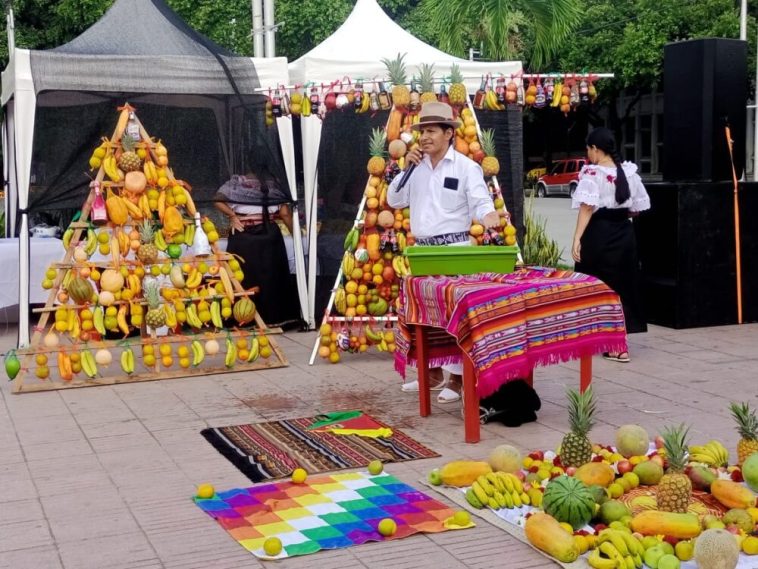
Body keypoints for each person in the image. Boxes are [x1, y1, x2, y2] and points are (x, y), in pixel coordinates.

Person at [388, 101, 500, 403]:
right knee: (425, 317)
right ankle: (431, 373)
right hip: (423, 252)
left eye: (432, 131)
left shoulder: (466, 167)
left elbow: (480, 201)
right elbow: (394, 200)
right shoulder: (415, 168)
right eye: (422, 131)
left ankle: (457, 379)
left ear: (448, 133)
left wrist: (489, 216)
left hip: (455, 249)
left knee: (454, 316)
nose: (425, 137)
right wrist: (407, 168)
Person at [571, 127, 651, 362]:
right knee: (623, 287)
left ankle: (605, 339)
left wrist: (577, 238)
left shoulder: (592, 174)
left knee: (597, 287)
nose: (588, 154)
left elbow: (586, 209)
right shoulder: (629, 173)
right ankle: (620, 343)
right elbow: (636, 209)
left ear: (596, 149)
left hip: (599, 234)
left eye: (588, 149)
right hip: (624, 235)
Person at [214, 171, 301, 328]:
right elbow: (285, 214)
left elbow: (217, 200)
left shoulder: (235, 183)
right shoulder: (275, 184)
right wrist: (297, 236)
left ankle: (244, 318)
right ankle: (273, 318)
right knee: (272, 276)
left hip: (242, 234)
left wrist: (232, 216)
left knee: (243, 275)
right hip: (270, 235)